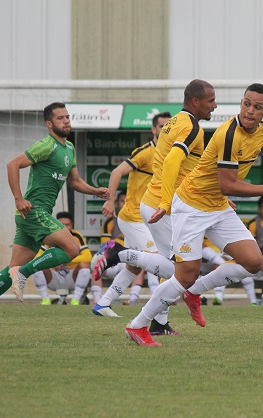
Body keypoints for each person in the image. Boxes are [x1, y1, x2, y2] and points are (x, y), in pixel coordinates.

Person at [125, 83, 263, 346]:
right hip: (192, 205)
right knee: (184, 274)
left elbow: (227, 182)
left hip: (217, 205)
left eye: (257, 107)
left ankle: (195, 291)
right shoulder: (228, 134)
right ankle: (138, 325)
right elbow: (228, 183)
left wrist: (223, 197)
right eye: (246, 104)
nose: (250, 111)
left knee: (254, 262)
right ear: (241, 103)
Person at [0, 102, 109, 326]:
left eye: (67, 117)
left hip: (34, 215)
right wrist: (19, 199)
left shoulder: (69, 148)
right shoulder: (46, 146)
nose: (66, 121)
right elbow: (13, 165)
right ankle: (23, 274)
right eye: (61, 118)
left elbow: (74, 181)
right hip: (33, 211)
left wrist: (95, 191)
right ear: (49, 124)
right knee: (71, 249)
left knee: (12, 267)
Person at [92, 80, 216, 287]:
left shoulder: (175, 127)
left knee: (155, 265)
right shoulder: (184, 132)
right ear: (154, 129)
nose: (215, 105)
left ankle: (111, 305)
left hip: (156, 205)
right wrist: (112, 199)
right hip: (152, 209)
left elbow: (187, 170)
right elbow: (168, 164)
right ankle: (118, 253)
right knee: (177, 266)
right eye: (211, 100)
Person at [91, 113, 175, 336]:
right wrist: (110, 200)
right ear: (153, 130)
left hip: (153, 219)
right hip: (134, 217)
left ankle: (103, 303)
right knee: (162, 261)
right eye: (161, 127)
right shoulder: (146, 152)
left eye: (169, 127)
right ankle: (160, 322)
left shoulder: (174, 153)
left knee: (136, 266)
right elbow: (118, 171)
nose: (165, 130)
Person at [32, 212, 93, 305]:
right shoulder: (49, 235)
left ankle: (75, 300)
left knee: (84, 265)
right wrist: (53, 261)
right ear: (55, 224)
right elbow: (37, 256)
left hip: (72, 277)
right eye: (61, 224)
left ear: (72, 225)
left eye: (67, 225)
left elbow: (88, 256)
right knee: (36, 265)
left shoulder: (77, 236)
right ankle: (45, 299)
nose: (64, 227)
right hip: (53, 277)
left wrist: (65, 259)